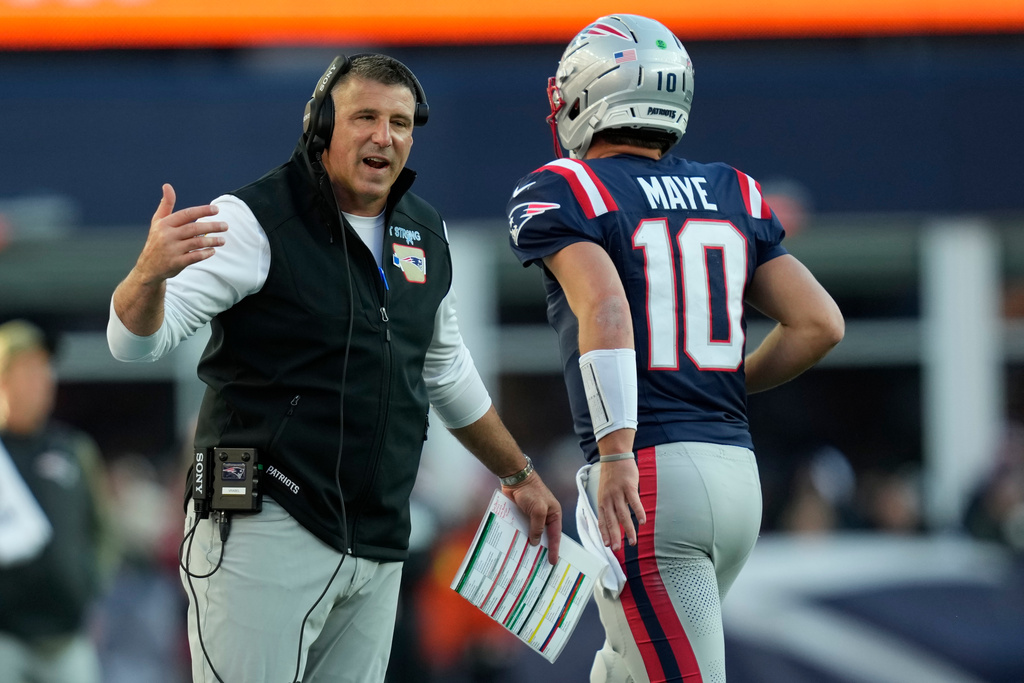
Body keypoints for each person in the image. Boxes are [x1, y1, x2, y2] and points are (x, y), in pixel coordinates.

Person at [107, 53, 562, 683]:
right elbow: (134, 345)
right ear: (321, 127)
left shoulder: (425, 232)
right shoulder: (253, 220)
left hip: (375, 534)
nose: (385, 136)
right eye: (366, 117)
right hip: (260, 516)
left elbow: (445, 371)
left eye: (400, 122)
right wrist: (145, 276)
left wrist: (518, 472)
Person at [507, 15, 844, 682]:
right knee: (624, 668)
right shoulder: (731, 189)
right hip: (734, 474)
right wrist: (716, 380)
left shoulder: (569, 187)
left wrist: (614, 449)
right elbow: (819, 323)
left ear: (588, 93)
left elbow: (604, 306)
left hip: (653, 479)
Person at [0, 319, 115, 683]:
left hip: (67, 638)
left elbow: (103, 528)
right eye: (29, 369)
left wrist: (89, 583)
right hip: (5, 638)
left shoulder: (73, 449)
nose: (44, 380)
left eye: (45, 369)